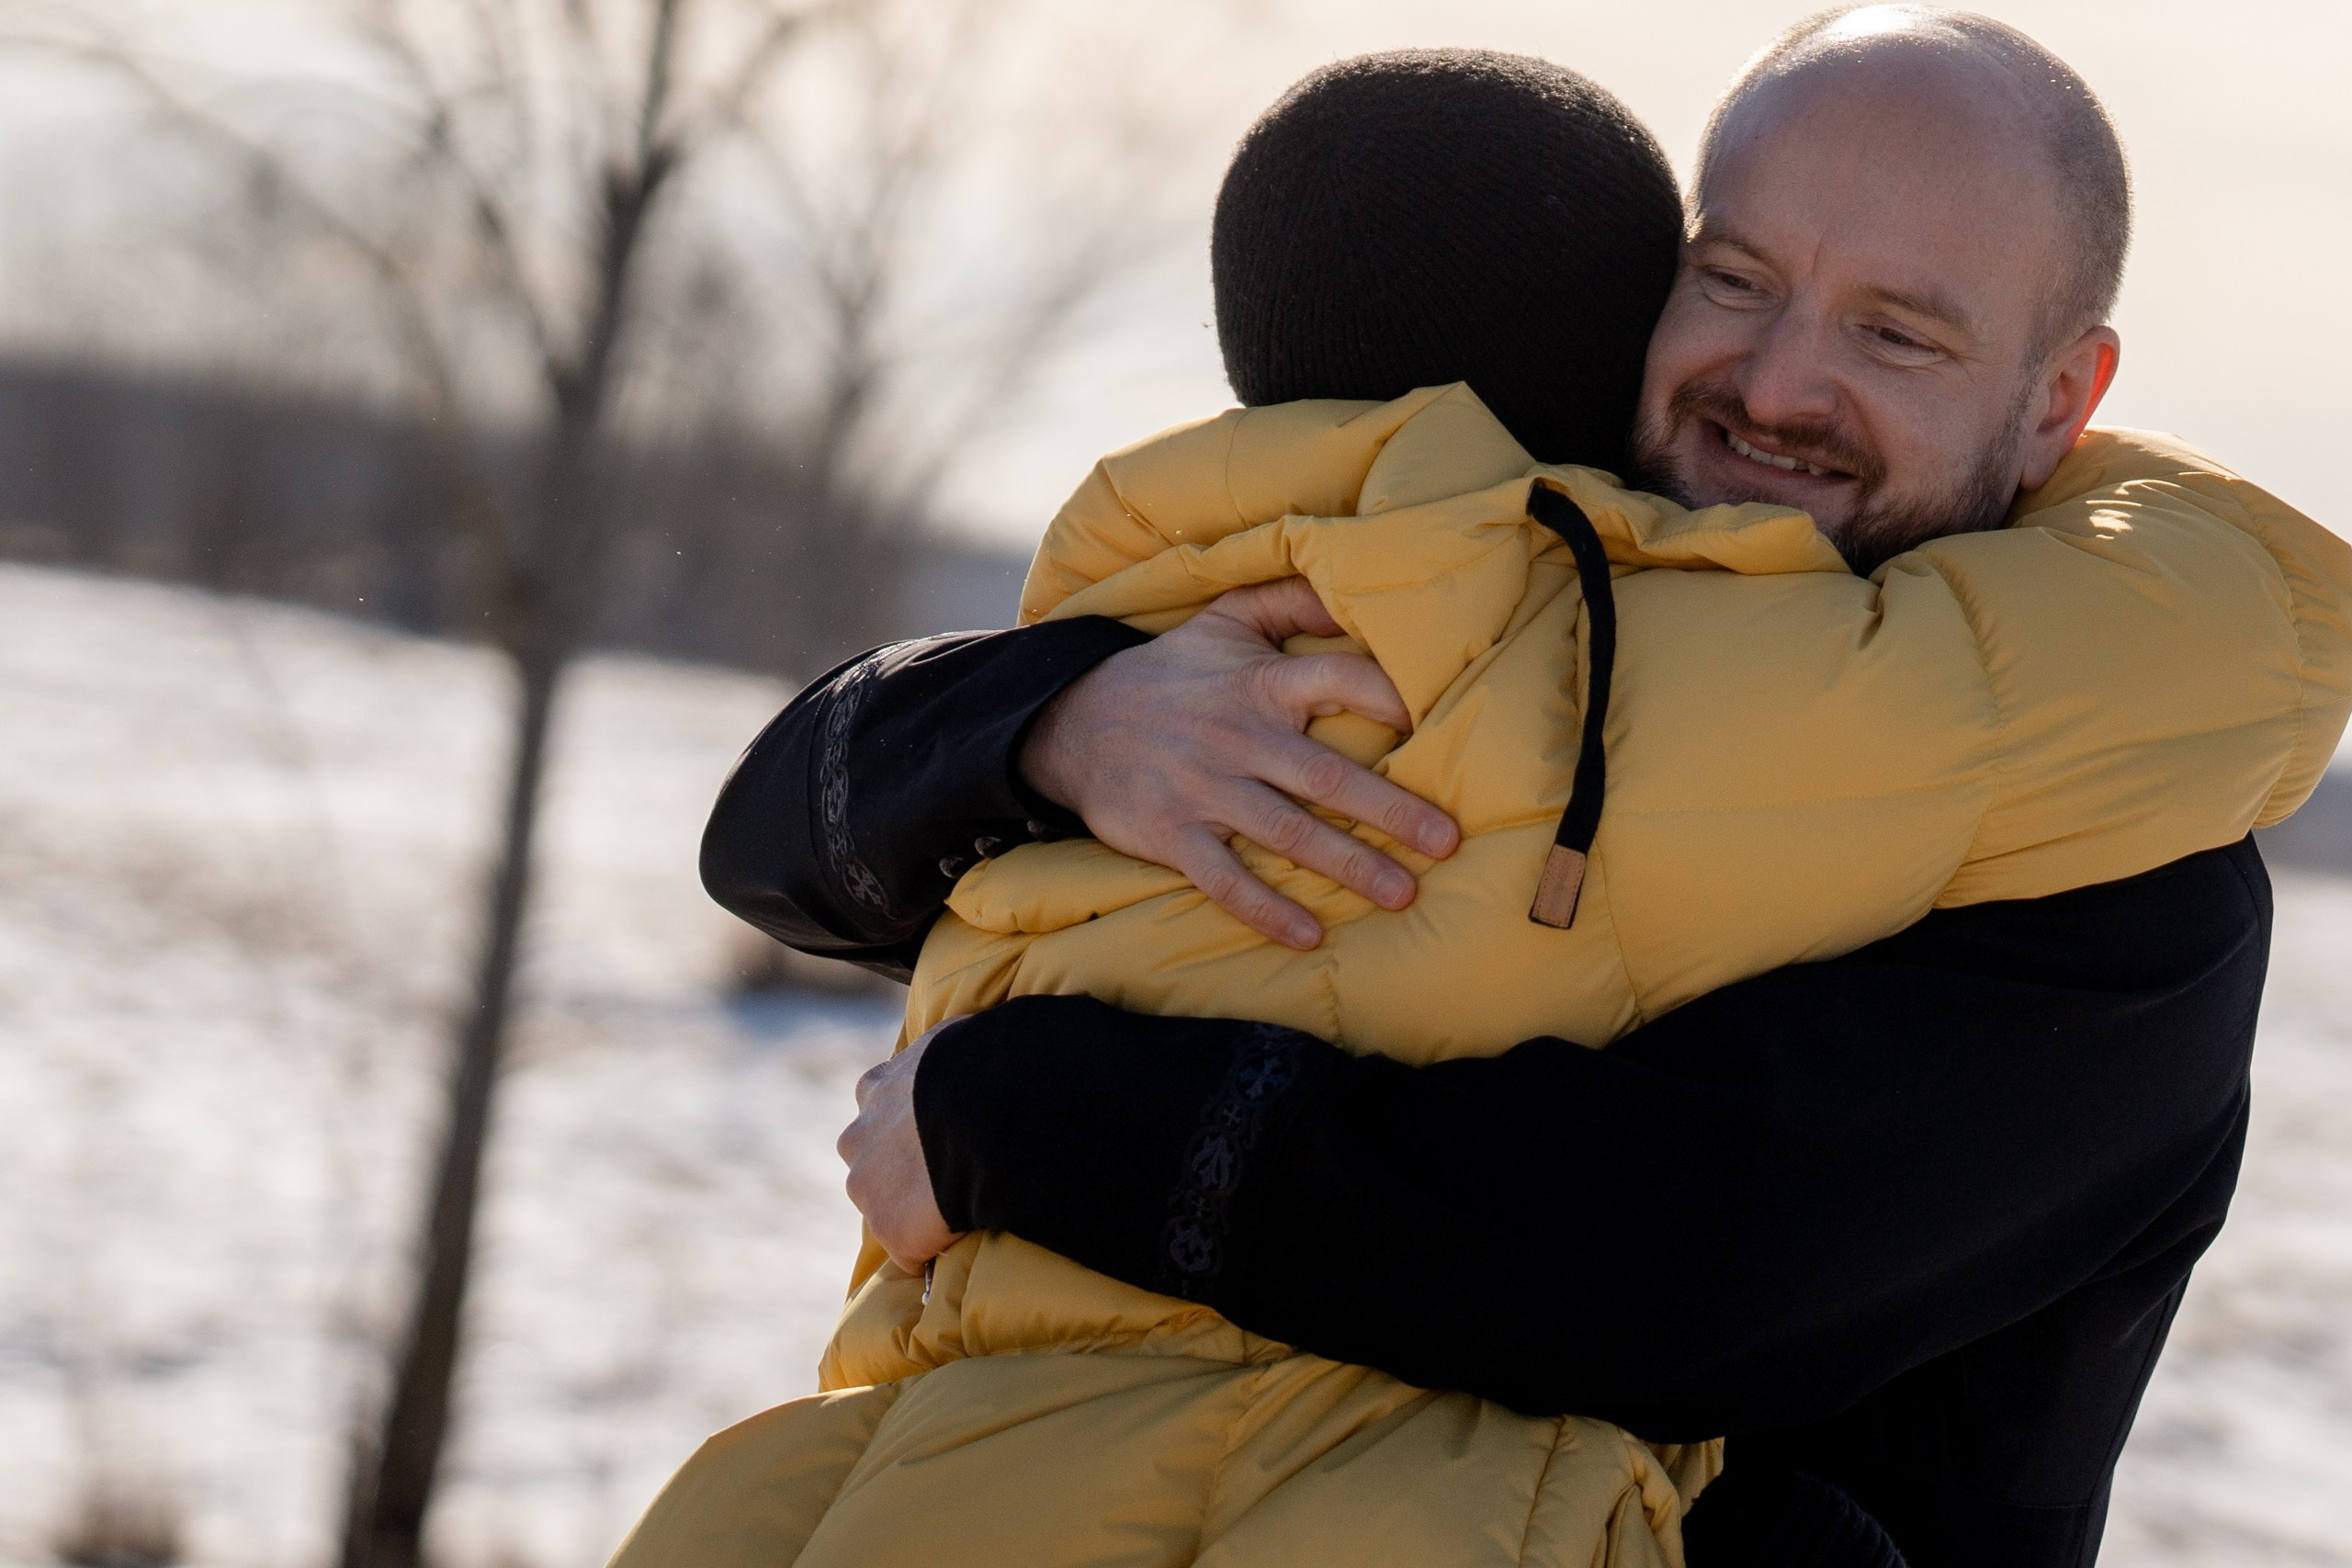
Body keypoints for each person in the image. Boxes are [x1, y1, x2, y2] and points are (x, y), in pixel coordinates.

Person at [673, 11, 2349, 1568]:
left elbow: (1653, 1267)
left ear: (2058, 400)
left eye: (1895, 335)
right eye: (1737, 278)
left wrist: (1016, 1123)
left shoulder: (2127, 855)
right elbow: (774, 843)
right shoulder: (1530, 610)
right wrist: (1062, 722)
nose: (1775, 387)